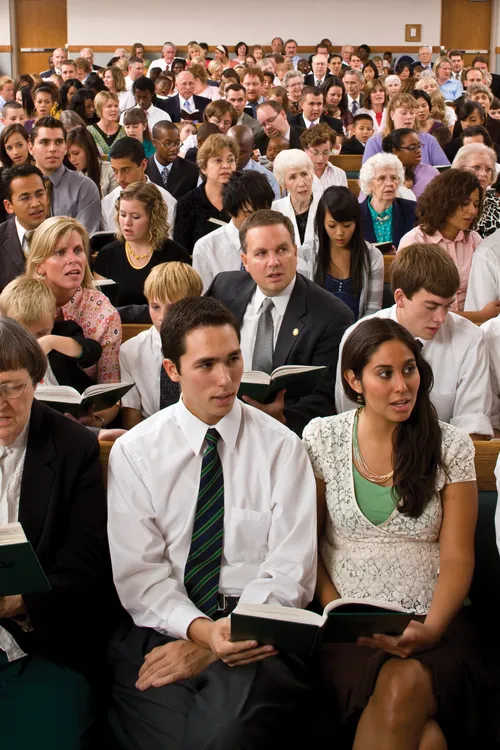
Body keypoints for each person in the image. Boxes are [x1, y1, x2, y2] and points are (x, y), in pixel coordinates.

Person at [107, 295, 317, 750]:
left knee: (221, 738)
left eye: (233, 360)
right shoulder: (136, 452)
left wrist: (219, 641)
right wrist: (200, 632)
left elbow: (290, 573)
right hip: (160, 626)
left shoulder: (282, 449)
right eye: (206, 365)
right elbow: (140, 576)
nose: (225, 380)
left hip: (258, 633)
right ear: (172, 371)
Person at [306, 315, 487, 748]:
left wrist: (433, 628)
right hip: (347, 628)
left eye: (408, 369)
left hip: (434, 621)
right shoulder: (322, 437)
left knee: (404, 685)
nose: (402, 386)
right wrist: (341, 614)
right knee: (424, 740)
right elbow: (306, 545)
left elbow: (459, 556)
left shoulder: (452, 444)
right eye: (384, 374)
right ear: (354, 381)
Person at [0, 317, 118, 750]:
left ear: (36, 382)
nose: (0, 403)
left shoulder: (72, 449)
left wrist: (16, 603)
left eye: (11, 387)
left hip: (43, 644)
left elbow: (87, 571)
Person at [206, 209, 353, 434]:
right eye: (261, 253)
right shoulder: (223, 287)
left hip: (287, 436)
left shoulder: (332, 315)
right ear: (244, 260)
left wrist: (283, 418)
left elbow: (325, 398)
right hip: (221, 423)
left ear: (295, 252)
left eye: (282, 250)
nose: (273, 262)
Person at [335, 242, 493, 436]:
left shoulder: (470, 339)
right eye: (431, 306)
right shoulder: (357, 337)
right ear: (400, 297)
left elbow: (472, 427)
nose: (441, 318)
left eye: (447, 306)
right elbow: (350, 420)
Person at [25, 215, 121, 385]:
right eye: (60, 252)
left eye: (78, 250)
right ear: (39, 265)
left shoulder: (104, 313)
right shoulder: (18, 301)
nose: (74, 259)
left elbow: (109, 396)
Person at [119, 262, 203, 428]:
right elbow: (131, 419)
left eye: (172, 308)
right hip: (149, 436)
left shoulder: (206, 347)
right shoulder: (131, 351)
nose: (162, 317)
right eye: (155, 307)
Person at [399, 169, 484, 312]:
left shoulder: (474, 240)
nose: (473, 211)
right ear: (444, 202)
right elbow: (411, 306)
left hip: (473, 327)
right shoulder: (414, 240)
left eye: (476, 204)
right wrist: (480, 316)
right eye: (465, 203)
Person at [0, 276, 102, 393]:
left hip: (64, 407)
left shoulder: (64, 332)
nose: (34, 341)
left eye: (41, 332)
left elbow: (93, 352)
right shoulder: (4, 344)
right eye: (24, 334)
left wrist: (51, 341)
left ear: (54, 316)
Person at [94, 182, 189, 306]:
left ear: (153, 217)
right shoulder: (107, 255)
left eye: (136, 217)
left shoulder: (175, 255)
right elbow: (103, 308)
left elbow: (179, 308)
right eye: (122, 215)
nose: (127, 222)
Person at [193, 170, 275, 291]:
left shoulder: (279, 240)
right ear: (231, 211)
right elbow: (203, 300)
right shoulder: (207, 248)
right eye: (249, 214)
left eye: (263, 213)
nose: (258, 220)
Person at [313, 186, 383, 319]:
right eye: (332, 226)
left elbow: (372, 311)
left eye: (347, 226)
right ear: (322, 223)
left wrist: (353, 337)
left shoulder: (373, 256)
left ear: (356, 223)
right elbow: (305, 307)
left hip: (358, 335)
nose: (339, 233)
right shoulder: (306, 254)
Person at [28, 116, 100, 234]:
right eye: (44, 142)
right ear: (31, 148)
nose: (52, 149)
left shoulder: (84, 187)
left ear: (65, 147)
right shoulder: (20, 186)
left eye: (58, 142)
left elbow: (84, 238)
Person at [174, 134, 238, 253]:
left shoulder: (243, 200)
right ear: (203, 167)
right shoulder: (187, 204)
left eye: (230, 160)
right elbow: (181, 252)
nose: (226, 165)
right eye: (218, 160)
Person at [102, 137, 177, 234]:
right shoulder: (107, 204)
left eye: (126, 170)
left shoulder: (167, 203)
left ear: (143, 165)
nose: (119, 179)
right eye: (115, 171)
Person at [363, 93, 450, 166]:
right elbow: (367, 174)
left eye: (412, 113)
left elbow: (444, 170)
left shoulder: (429, 140)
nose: (409, 117)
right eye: (403, 113)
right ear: (392, 114)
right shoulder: (374, 142)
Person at [0, 165, 49, 290]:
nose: (35, 203)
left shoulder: (65, 234)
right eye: (25, 198)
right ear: (9, 206)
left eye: (39, 194)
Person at [271, 149, 320, 267]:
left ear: (312, 175)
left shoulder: (325, 207)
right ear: (283, 184)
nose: (301, 182)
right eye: (292, 177)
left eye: (304, 174)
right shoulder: (275, 211)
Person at [359, 153, 416, 249]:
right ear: (369, 184)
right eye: (382, 178)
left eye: (394, 178)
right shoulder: (355, 214)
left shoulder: (413, 211)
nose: (389, 183)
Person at [452, 143, 500, 238]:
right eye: (477, 167)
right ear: (460, 169)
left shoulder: (497, 204)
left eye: (488, 169)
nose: (483, 174)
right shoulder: (448, 203)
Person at [146, 120, 199, 200]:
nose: (174, 148)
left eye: (177, 143)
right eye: (167, 144)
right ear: (154, 143)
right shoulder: (143, 169)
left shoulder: (192, 170)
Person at [227, 124, 280, 199]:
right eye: (232, 151)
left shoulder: (268, 178)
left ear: (252, 148)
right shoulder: (217, 173)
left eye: (242, 153)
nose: (236, 157)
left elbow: (274, 207)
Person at [382, 128, 439, 198]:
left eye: (419, 146)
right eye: (412, 147)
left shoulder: (431, 172)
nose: (418, 151)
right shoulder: (383, 174)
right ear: (395, 151)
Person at [66, 124, 118, 197]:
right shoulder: (73, 177)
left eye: (76, 153)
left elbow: (115, 203)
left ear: (88, 150)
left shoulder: (111, 171)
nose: (72, 159)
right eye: (68, 155)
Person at [299, 124, 347, 191]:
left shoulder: (340, 174)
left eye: (325, 152)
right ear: (305, 149)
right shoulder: (297, 174)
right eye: (315, 152)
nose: (321, 158)